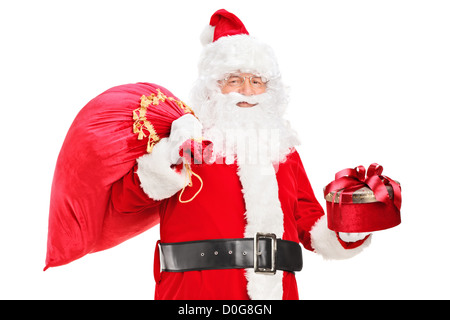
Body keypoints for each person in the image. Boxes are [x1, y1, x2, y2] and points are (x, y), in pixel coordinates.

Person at [112, 9, 371, 300]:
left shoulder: (282, 151)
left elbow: (309, 222)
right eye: (234, 80)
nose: (247, 90)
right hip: (194, 296)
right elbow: (125, 203)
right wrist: (165, 160)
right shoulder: (185, 144)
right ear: (213, 88)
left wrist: (349, 226)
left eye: (257, 81)